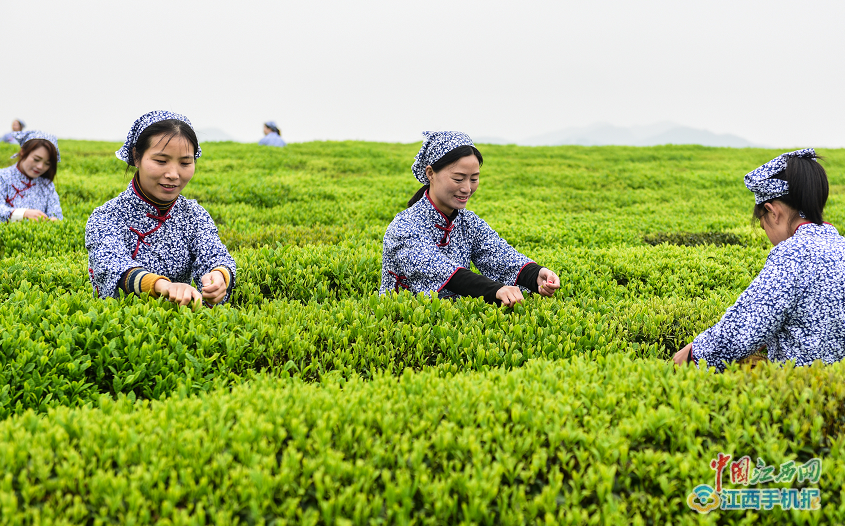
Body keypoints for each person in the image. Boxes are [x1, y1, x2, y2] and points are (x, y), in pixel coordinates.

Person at [673, 148, 845, 371]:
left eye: (763, 225)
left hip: (801, 392)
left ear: (772, 212)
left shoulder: (791, 254)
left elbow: (745, 327)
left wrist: (695, 354)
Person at [380, 131, 561, 306]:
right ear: (430, 173)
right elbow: (440, 269)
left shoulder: (468, 221)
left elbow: (497, 253)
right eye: (458, 179)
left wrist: (536, 274)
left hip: (455, 320)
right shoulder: (404, 226)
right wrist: (496, 290)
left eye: (474, 179)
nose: (467, 188)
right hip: (405, 322)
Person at [85, 110, 236, 307]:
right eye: (161, 161)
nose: (173, 174)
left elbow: (214, 255)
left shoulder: (195, 215)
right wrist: (163, 287)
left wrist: (218, 277)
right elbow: (113, 267)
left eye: (185, 163)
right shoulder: (107, 216)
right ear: (136, 157)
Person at [0, 130, 62, 222]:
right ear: (23, 152)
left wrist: (53, 220)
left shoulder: (46, 185)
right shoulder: (3, 177)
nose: (40, 166)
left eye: (47, 163)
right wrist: (22, 214)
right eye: (36, 159)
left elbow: (56, 214)